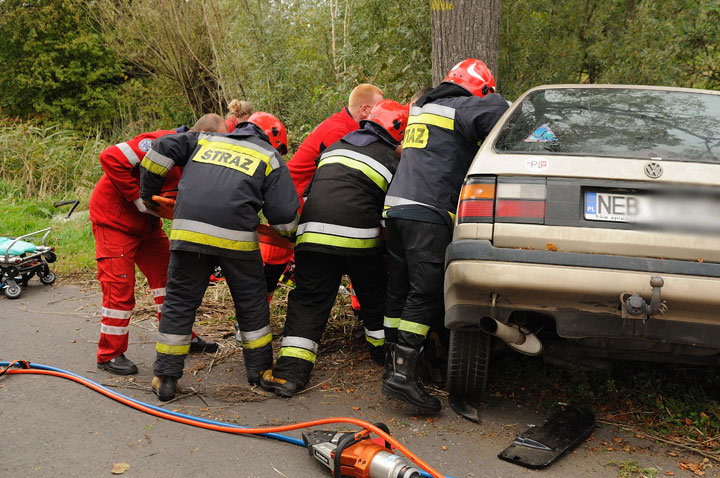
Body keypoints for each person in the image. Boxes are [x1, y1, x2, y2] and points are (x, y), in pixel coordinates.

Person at [139, 112, 299, 401]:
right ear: (274, 138)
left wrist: (149, 193)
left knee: (180, 302)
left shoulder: (205, 139)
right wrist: (289, 235)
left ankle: (166, 376)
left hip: (188, 234)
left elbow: (160, 148)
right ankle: (260, 371)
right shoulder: (269, 156)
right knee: (251, 303)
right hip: (236, 240)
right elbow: (285, 219)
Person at [381, 59, 509, 412]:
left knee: (401, 288)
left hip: (395, 209)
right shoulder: (460, 109)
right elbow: (498, 111)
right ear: (479, 90)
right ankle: (404, 375)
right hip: (428, 212)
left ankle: (393, 365)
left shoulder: (424, 107)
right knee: (424, 292)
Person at [259, 100, 408, 398]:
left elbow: (315, 191)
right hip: (360, 240)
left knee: (309, 301)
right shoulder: (393, 160)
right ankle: (385, 358)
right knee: (374, 296)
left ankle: (289, 374)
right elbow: (392, 210)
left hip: (312, 237)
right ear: (398, 132)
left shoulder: (334, 147)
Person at [90, 115, 226, 376]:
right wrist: (136, 198)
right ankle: (110, 354)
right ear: (206, 136)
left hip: (147, 227)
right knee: (119, 288)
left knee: (171, 280)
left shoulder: (194, 158)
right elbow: (110, 157)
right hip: (114, 222)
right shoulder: (159, 142)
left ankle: (179, 336)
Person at [260, 84, 384, 301]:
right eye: (377, 109)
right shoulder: (338, 131)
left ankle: (359, 310)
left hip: (308, 198)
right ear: (365, 110)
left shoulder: (348, 127)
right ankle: (252, 320)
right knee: (272, 265)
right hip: (293, 199)